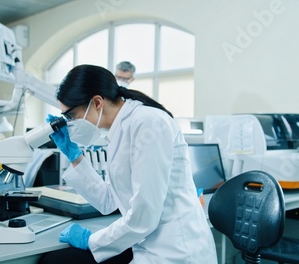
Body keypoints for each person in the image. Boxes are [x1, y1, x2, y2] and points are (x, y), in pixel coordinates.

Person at [39, 65, 217, 263]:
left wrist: (92, 240)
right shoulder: (118, 131)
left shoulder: (148, 123)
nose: (70, 123)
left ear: (97, 102)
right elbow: (108, 201)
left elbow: (144, 217)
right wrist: (75, 158)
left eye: (70, 116)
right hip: (147, 244)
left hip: (175, 252)